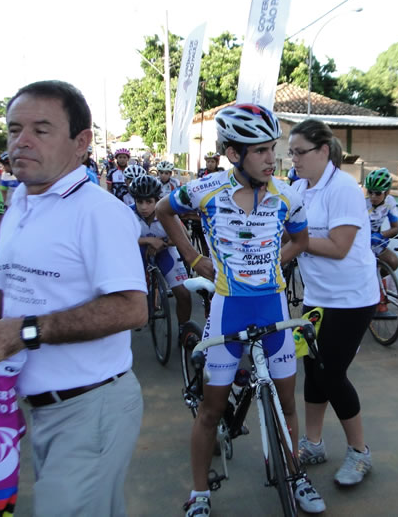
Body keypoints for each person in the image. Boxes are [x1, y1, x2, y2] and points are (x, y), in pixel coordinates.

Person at [0, 80, 147, 516]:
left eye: (41, 130)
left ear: (81, 142)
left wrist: (21, 333)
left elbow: (131, 308)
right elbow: (9, 288)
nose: (22, 141)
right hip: (35, 409)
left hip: (90, 410)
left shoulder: (99, 212)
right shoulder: (21, 201)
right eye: (14, 129)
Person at [156, 104, 324, 516]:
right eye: (261, 150)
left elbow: (301, 242)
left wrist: (270, 265)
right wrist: (194, 259)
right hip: (227, 309)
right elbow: (163, 210)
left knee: (287, 404)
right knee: (212, 411)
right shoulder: (205, 189)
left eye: (273, 148)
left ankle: (296, 475)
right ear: (234, 153)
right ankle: (199, 493)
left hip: (273, 308)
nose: (272, 158)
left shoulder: (288, 195)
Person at [288, 119, 378, 487]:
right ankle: (313, 444)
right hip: (317, 297)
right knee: (312, 370)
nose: (294, 159)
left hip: (351, 299)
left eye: (300, 152)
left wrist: (297, 242)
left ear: (323, 151)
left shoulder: (343, 189)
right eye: (290, 153)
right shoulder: (298, 188)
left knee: (331, 373)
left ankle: (359, 452)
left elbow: (340, 248)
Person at [129, 174, 191, 326]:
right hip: (139, 253)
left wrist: (162, 243)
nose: (144, 207)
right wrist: (148, 241)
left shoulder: (166, 213)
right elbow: (118, 238)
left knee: (184, 294)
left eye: (149, 201)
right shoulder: (128, 213)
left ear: (157, 200)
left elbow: (186, 237)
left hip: (165, 251)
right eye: (139, 202)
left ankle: (184, 330)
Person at [364, 167, 398, 277]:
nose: (373, 197)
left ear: (387, 192)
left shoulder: (390, 202)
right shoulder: (361, 200)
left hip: (374, 240)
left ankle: (375, 281)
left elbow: (395, 228)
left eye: (378, 193)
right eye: (370, 192)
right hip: (358, 239)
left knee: (393, 262)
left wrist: (381, 235)